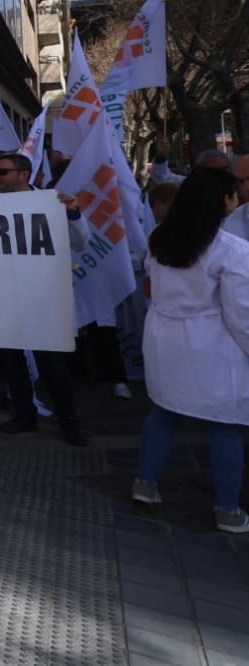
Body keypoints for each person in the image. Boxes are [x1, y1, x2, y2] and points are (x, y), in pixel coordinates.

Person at [131, 167, 249, 534]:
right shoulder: (231, 249)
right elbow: (242, 312)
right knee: (227, 424)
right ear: (223, 201)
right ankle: (227, 508)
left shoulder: (158, 238)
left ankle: (145, 483)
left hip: (164, 337)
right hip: (211, 344)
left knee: (165, 412)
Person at [0, 150, 92, 445]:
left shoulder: (52, 202)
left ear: (24, 175)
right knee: (12, 361)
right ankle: (25, 415)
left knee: (51, 362)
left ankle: (68, 420)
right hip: (6, 293)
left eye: (3, 172)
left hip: (43, 294)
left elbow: (81, 241)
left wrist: (72, 212)